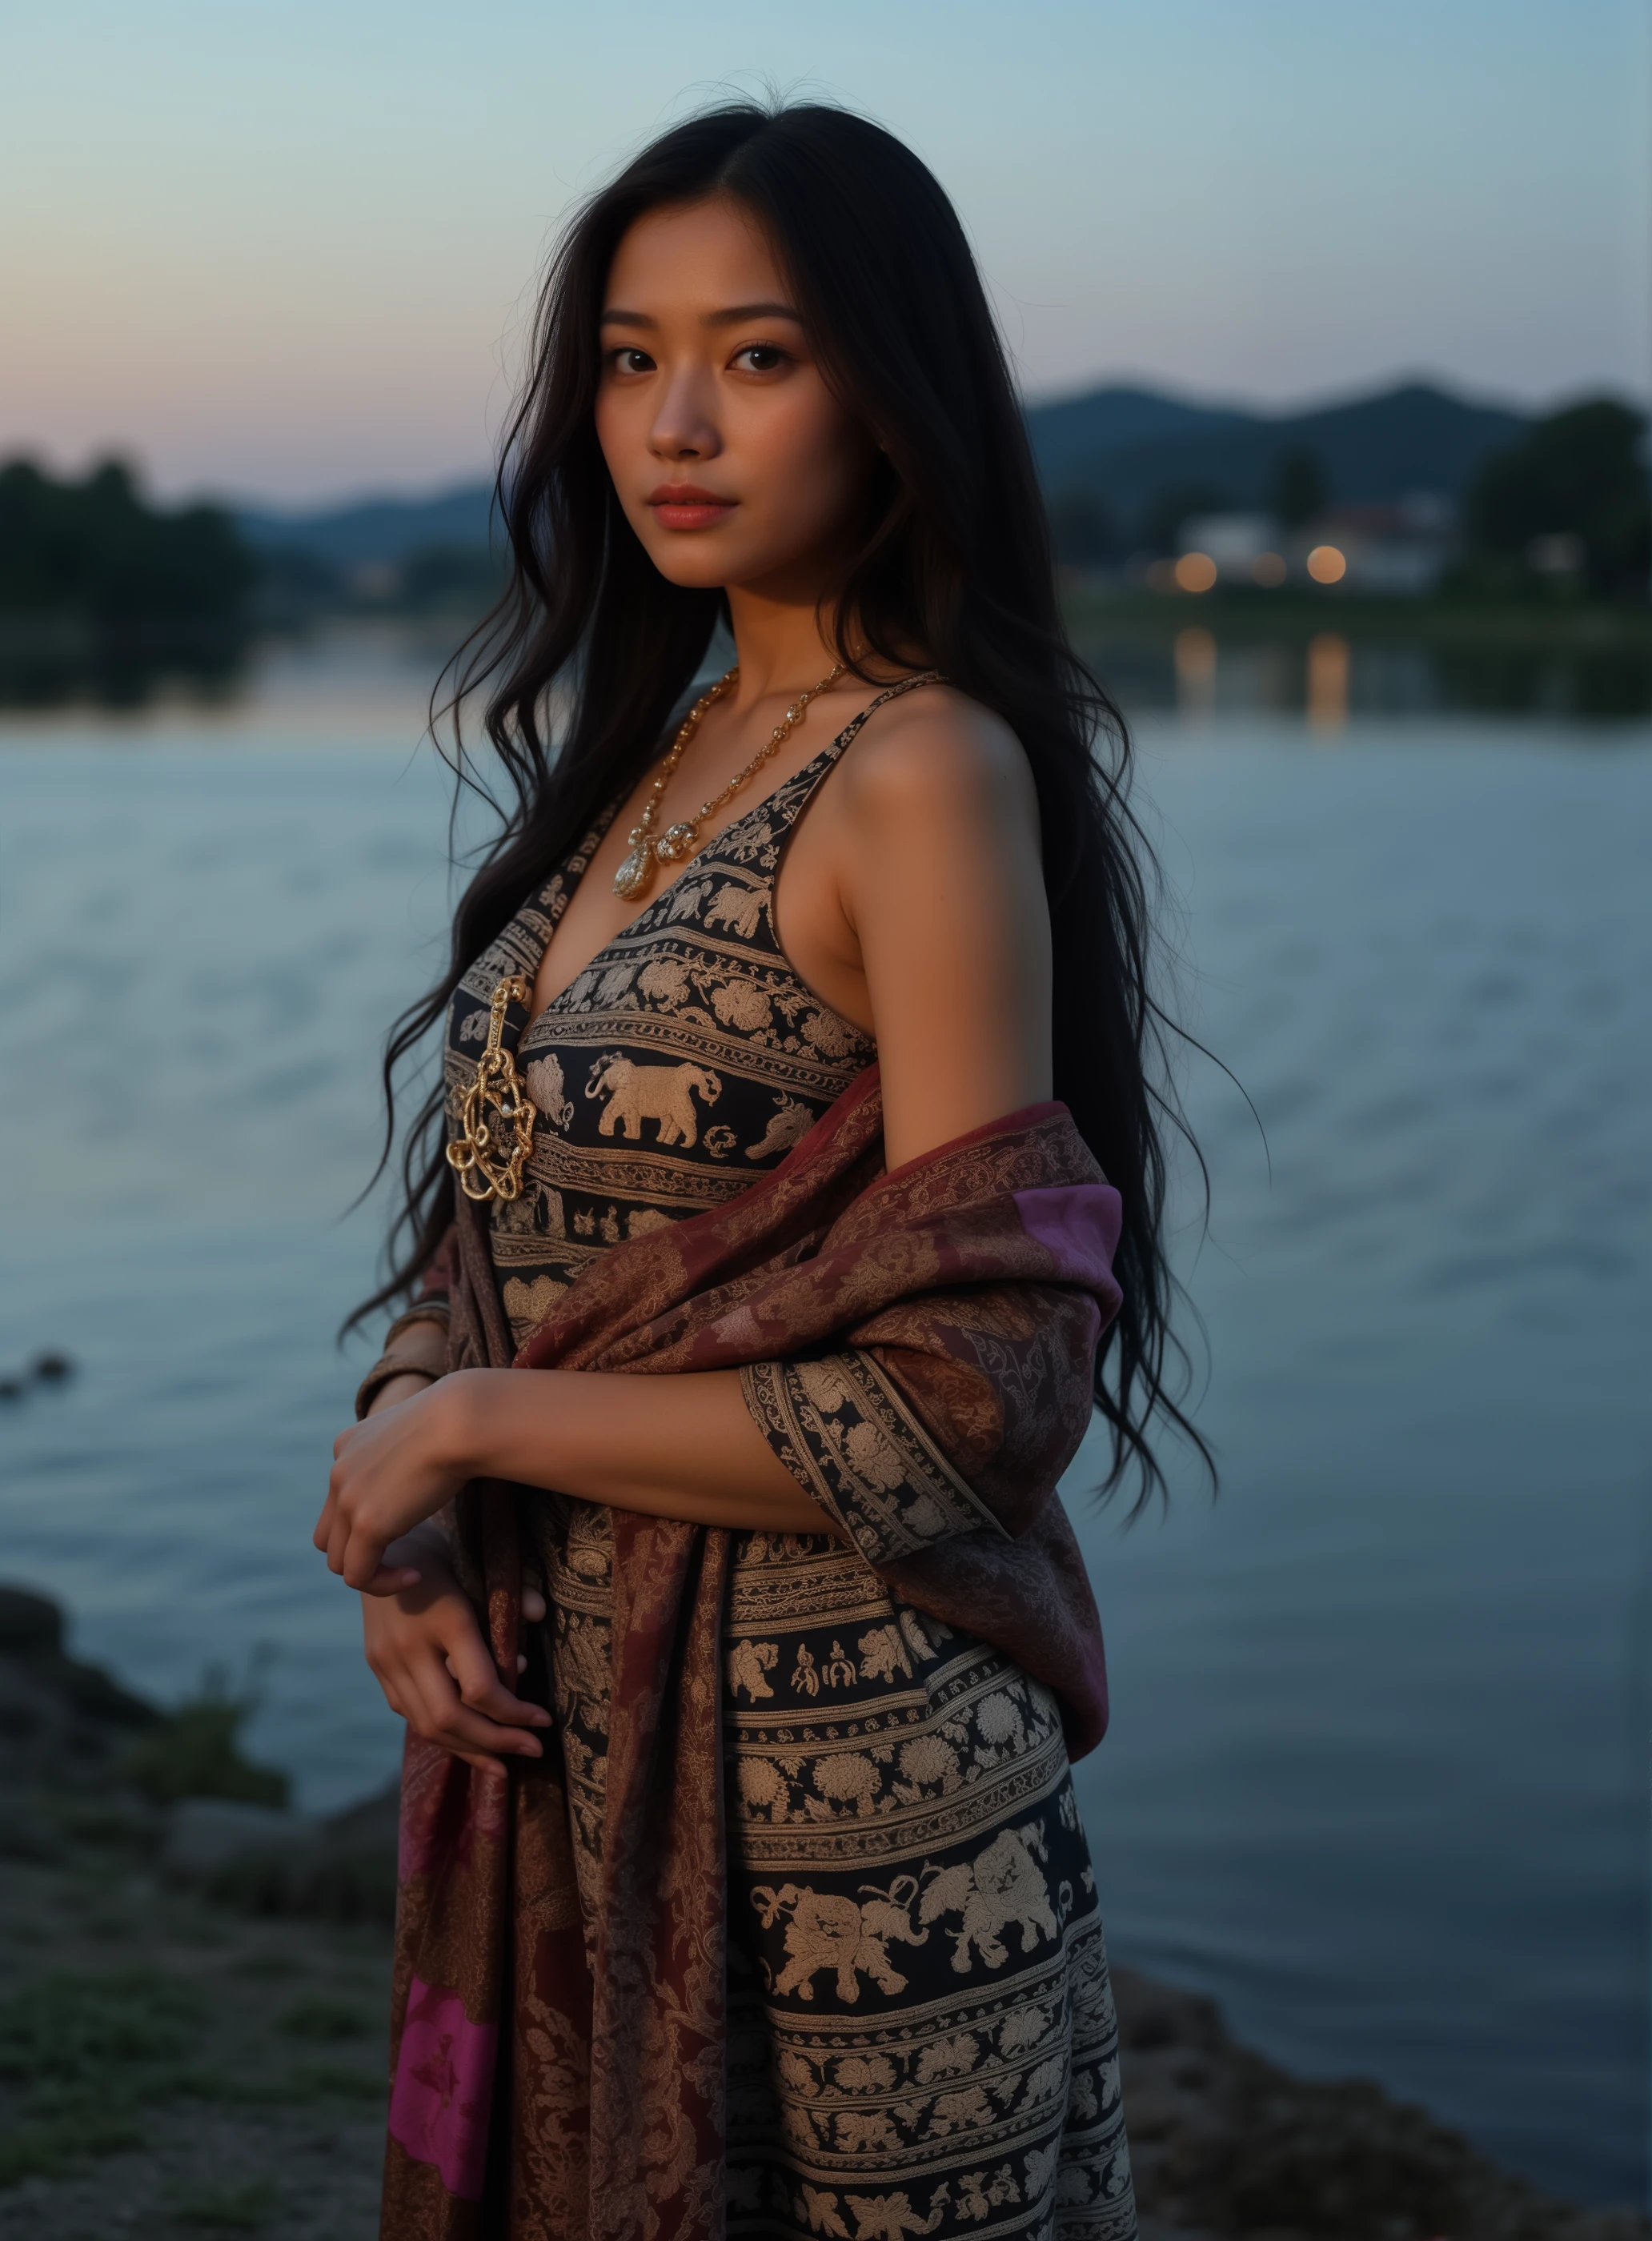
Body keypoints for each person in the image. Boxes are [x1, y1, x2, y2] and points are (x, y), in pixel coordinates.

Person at [315, 101, 1199, 2241]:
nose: (676, 422)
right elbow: (499, 1226)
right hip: (572, 1744)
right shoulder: (654, 756)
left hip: (852, 1809)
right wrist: (413, 1502)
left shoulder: (922, 768)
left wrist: (484, 1420)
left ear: (895, 397)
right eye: (629, 358)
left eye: (761, 354)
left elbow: (981, 1392)